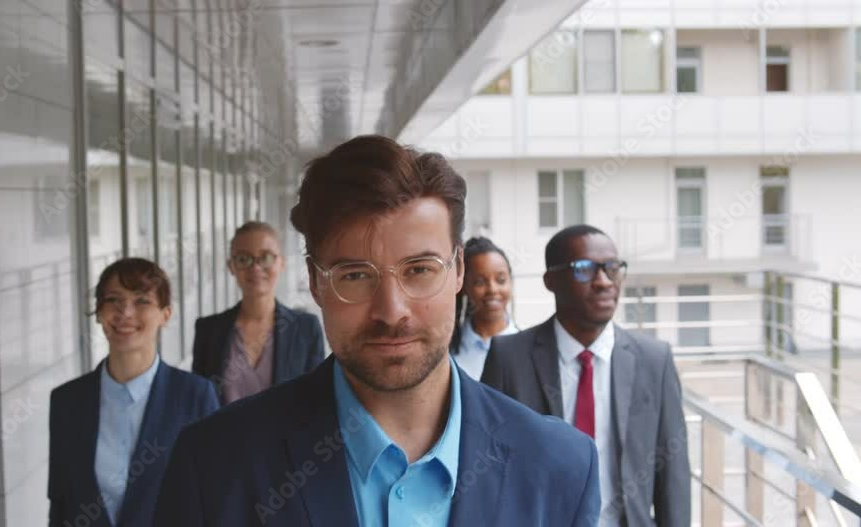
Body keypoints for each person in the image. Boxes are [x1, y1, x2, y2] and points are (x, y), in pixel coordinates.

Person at [154, 135, 600, 526]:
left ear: (458, 269)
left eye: (420, 270)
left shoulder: (559, 468)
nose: (392, 311)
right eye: (355, 275)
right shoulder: (214, 466)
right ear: (314, 282)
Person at [481, 225, 690, 527]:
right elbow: (487, 469)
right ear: (550, 281)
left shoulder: (654, 361)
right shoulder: (509, 357)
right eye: (584, 270)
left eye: (613, 269)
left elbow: (673, 475)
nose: (604, 282)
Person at [48, 258, 220, 527]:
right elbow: (60, 503)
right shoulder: (66, 401)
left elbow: (215, 500)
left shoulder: (195, 397)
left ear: (166, 314)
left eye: (142, 301)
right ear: (98, 313)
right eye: (113, 300)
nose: (125, 312)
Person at [191, 221, 325, 404]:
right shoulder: (209, 330)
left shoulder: (306, 329)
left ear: (281, 263)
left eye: (266, 257)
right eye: (243, 259)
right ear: (231, 266)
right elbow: (199, 403)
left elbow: (317, 402)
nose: (255, 267)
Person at [449, 236, 518, 380]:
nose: (492, 289)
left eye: (501, 280)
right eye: (479, 282)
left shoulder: (529, 349)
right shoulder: (447, 352)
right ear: (464, 286)